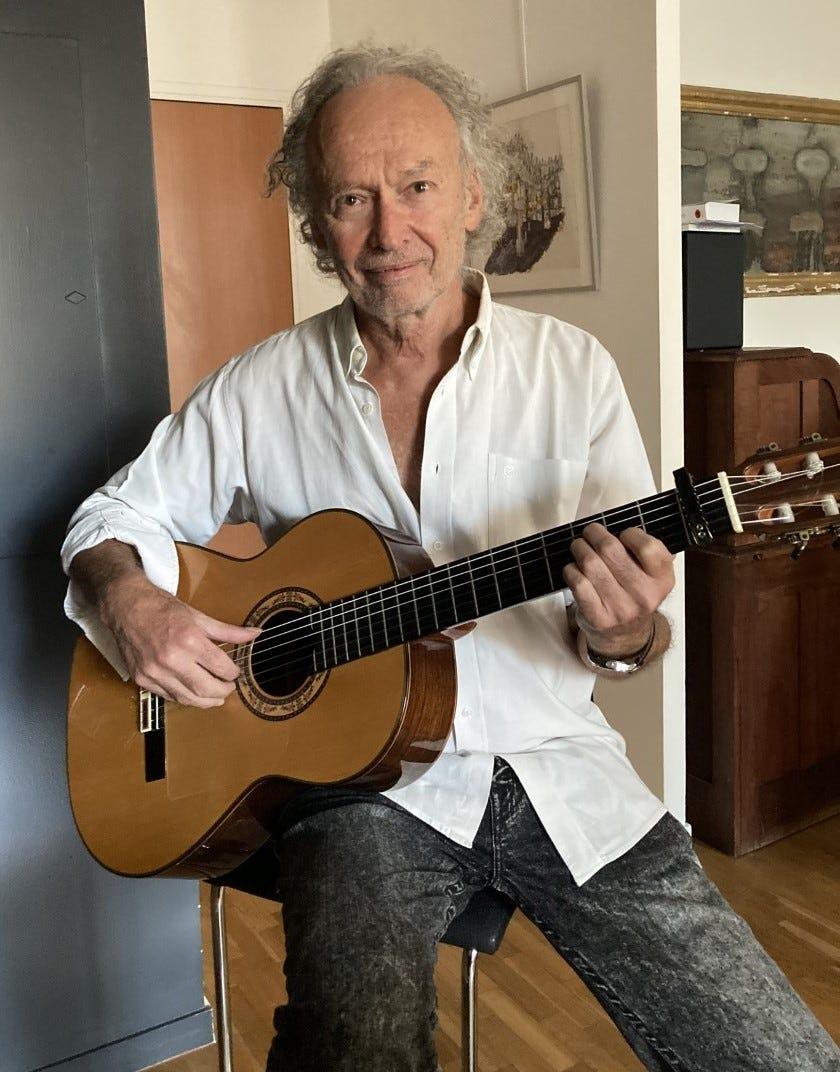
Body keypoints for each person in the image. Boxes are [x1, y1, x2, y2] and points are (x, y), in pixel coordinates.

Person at [62, 45, 840, 1072]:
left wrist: (624, 632)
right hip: (361, 792)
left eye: (419, 187)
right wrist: (128, 601)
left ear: (474, 195)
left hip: (563, 771)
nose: (390, 233)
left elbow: (634, 633)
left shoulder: (573, 372)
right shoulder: (258, 390)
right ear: (313, 220)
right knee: (356, 1052)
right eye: (351, 198)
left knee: (780, 1057)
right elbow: (106, 518)